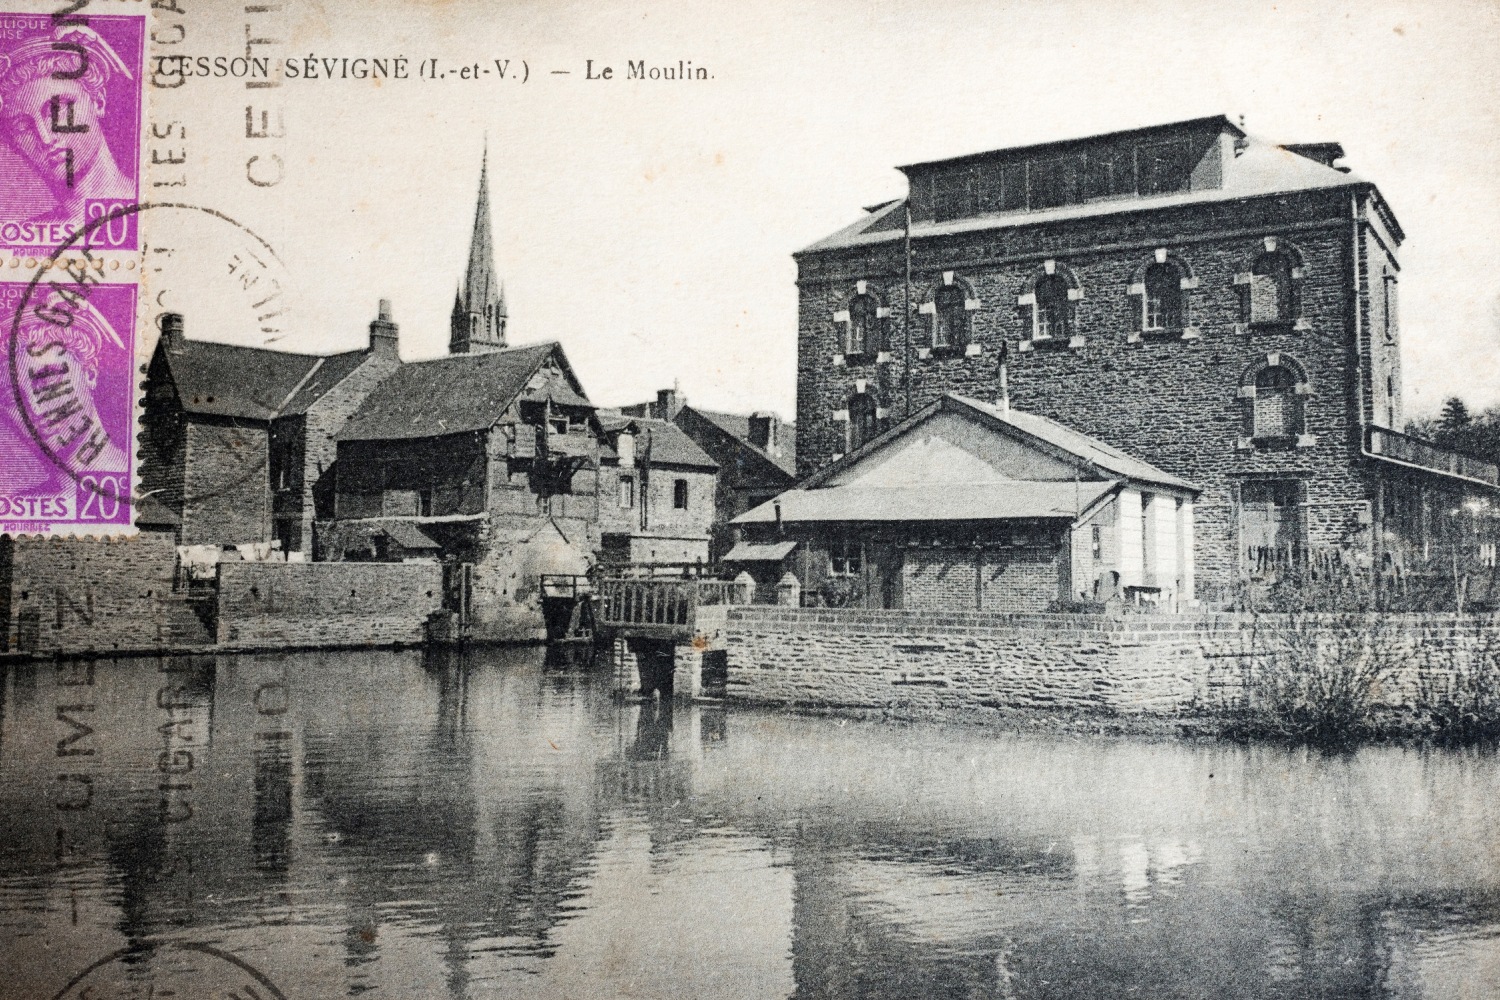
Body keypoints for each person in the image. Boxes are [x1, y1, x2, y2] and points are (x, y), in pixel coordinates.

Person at [0, 24, 134, 230]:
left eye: (58, 108)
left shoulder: (149, 204)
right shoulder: (27, 231)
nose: (45, 138)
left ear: (98, 101)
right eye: (23, 126)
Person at [2, 290, 128, 501]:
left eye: (48, 380)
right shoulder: (18, 502)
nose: (34, 409)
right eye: (13, 399)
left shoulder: (133, 483)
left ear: (89, 373)